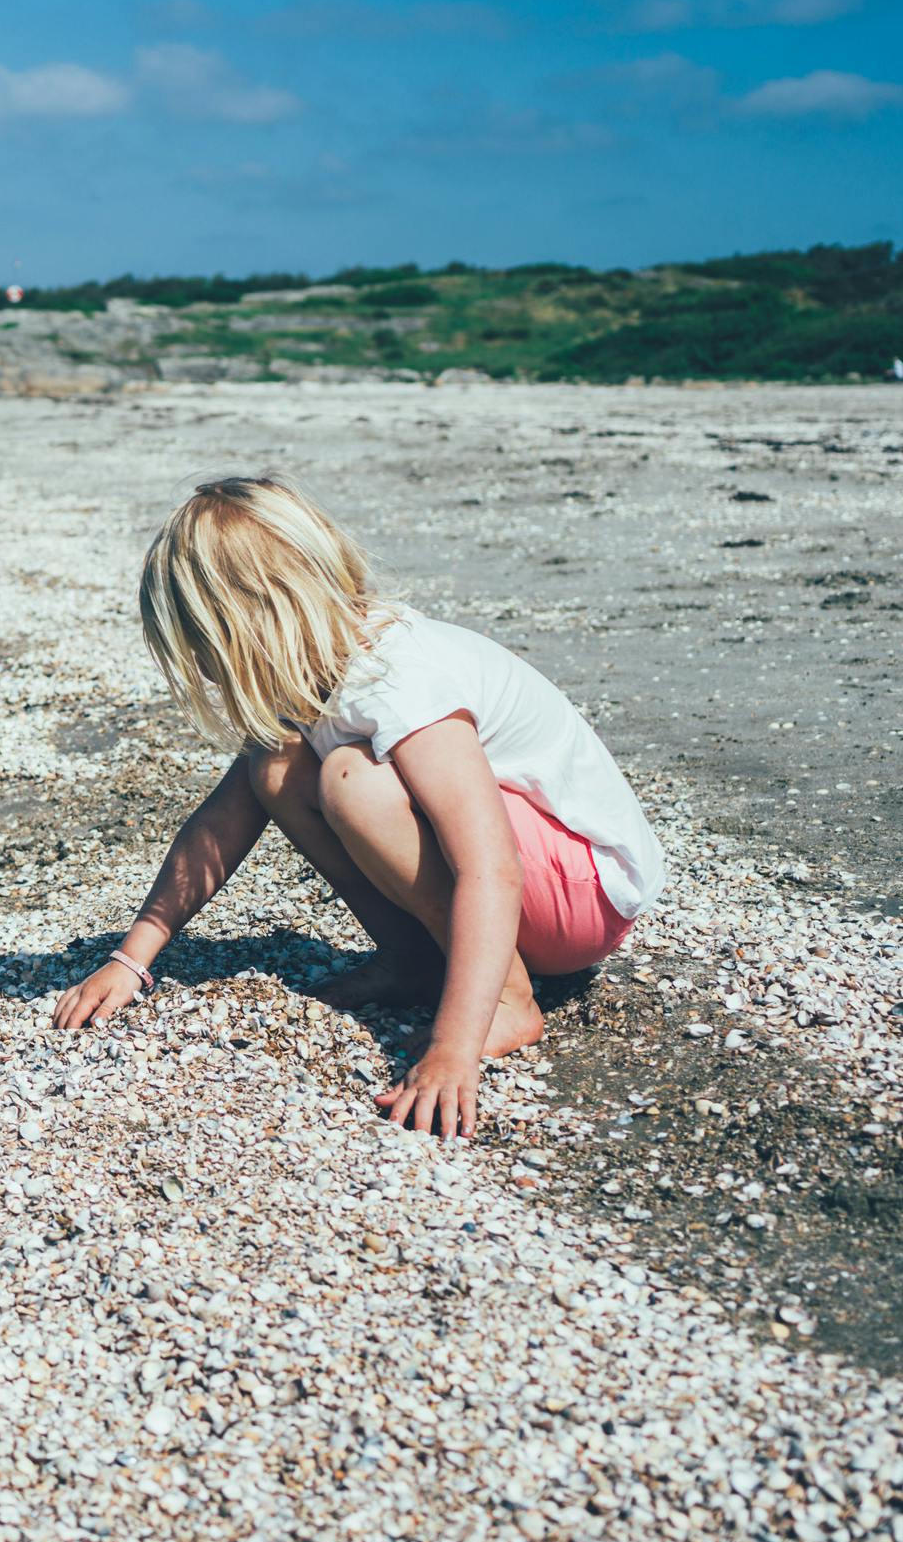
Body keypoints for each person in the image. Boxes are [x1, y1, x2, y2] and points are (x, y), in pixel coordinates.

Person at [49, 474, 665, 1138]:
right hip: (523, 894)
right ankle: (414, 961)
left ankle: (509, 1001)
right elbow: (218, 827)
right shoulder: (310, 672)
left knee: (354, 780)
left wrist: (453, 1050)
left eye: (208, 652)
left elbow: (491, 868)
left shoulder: (399, 680)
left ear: (256, 624)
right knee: (275, 764)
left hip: (581, 896)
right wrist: (131, 958)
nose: (206, 673)